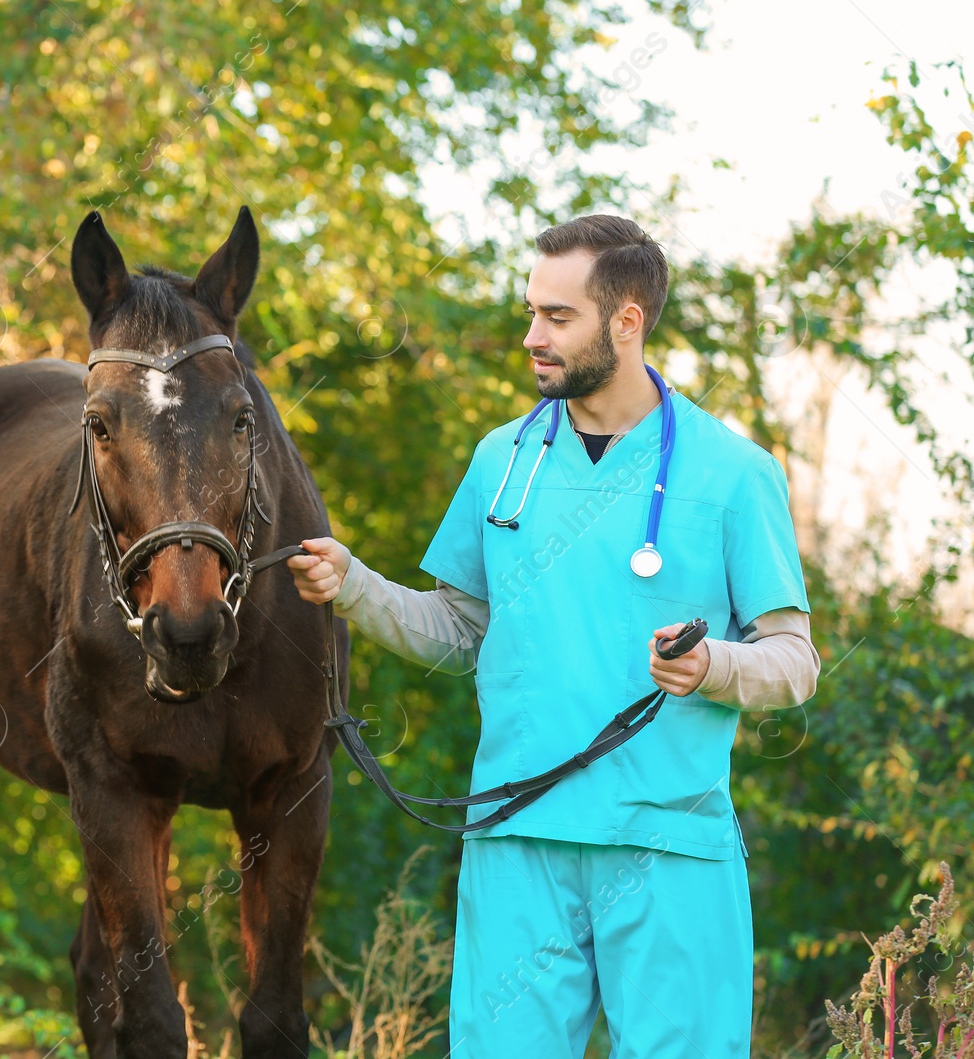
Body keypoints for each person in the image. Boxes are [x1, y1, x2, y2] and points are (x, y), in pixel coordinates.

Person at [287, 214, 820, 1059]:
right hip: (519, 835)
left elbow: (795, 663)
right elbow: (460, 630)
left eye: (557, 318)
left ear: (627, 319)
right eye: (531, 312)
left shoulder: (733, 473)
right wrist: (353, 585)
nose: (533, 337)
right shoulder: (502, 459)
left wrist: (713, 664)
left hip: (666, 844)